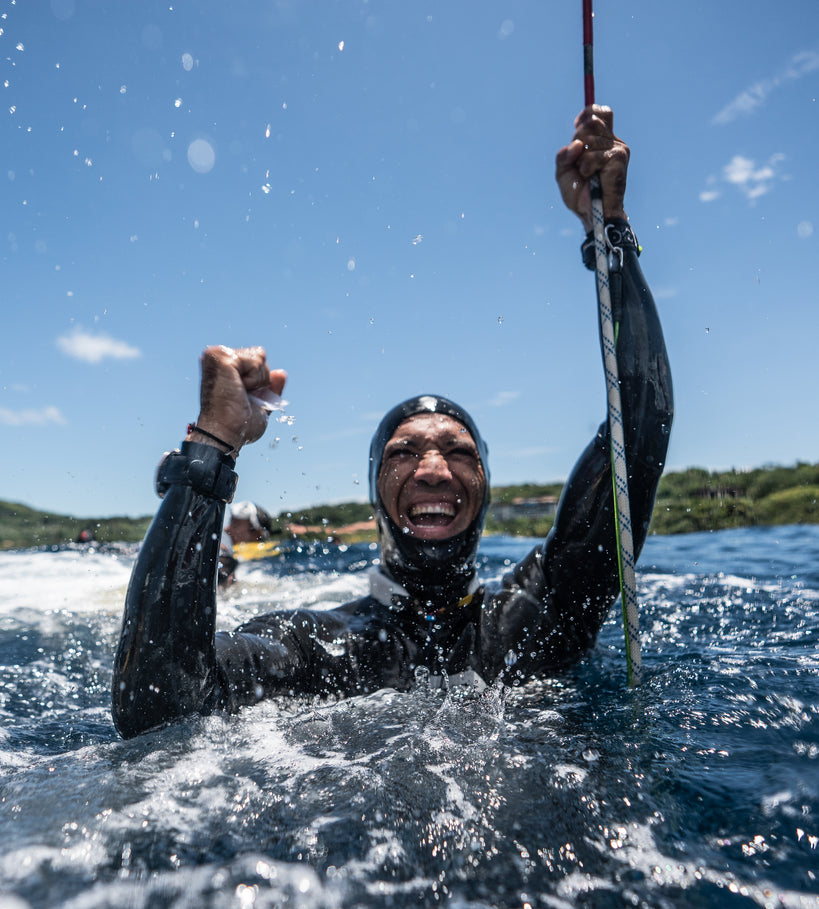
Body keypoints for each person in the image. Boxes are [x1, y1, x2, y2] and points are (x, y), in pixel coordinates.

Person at [112, 105, 673, 739]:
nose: (434, 470)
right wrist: (211, 448)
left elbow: (641, 423)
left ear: (485, 481)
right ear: (375, 487)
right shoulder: (313, 648)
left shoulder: (539, 617)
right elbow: (158, 710)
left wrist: (613, 231)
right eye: (405, 452)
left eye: (458, 453)